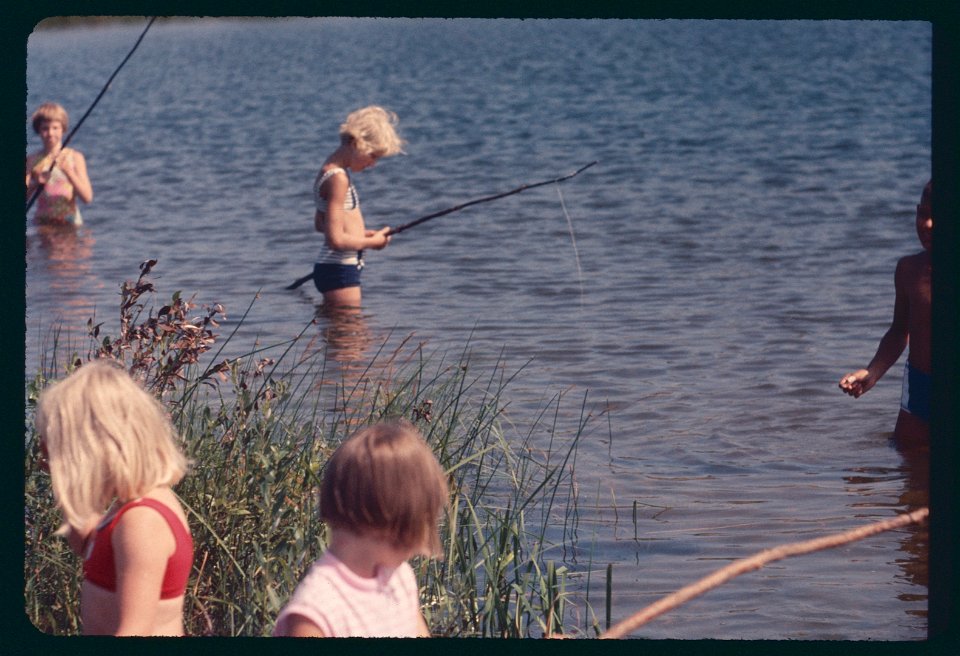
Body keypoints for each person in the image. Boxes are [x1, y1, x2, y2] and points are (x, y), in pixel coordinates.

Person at [34, 359, 193, 636]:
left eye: (63, 452)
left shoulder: (142, 521)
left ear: (95, 450)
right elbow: (90, 546)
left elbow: (135, 632)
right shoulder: (131, 507)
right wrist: (67, 489)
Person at [273, 420, 448, 638]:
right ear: (390, 522)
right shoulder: (315, 616)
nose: (424, 539)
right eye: (423, 521)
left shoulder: (399, 577)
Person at [839, 180, 932, 442]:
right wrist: (872, 373)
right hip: (920, 385)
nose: (927, 225)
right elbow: (899, 331)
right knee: (909, 464)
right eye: (923, 214)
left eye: (939, 216)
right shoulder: (908, 270)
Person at [311, 106, 405, 307]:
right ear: (355, 143)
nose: (373, 164)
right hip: (339, 269)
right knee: (352, 335)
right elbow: (335, 240)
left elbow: (320, 224)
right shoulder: (338, 179)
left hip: (332, 268)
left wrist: (362, 235)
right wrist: (374, 242)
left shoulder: (327, 171)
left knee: (343, 333)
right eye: (373, 156)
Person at [26, 102, 93, 225]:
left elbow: (87, 197)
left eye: (55, 128)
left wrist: (69, 172)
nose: (50, 133)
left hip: (70, 223)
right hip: (43, 224)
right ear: (38, 130)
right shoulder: (31, 160)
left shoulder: (75, 157)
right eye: (45, 128)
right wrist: (35, 183)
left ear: (63, 129)